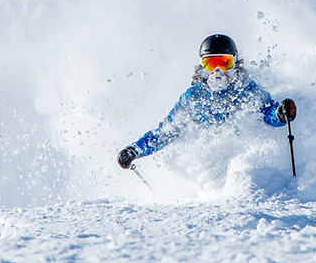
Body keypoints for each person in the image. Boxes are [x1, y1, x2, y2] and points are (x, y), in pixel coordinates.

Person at [118, 34, 297, 169]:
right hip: (205, 168)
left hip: (243, 165)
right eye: (210, 64)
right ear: (202, 68)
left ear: (235, 64)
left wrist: (280, 114)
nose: (218, 71)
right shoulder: (193, 98)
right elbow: (165, 132)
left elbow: (268, 112)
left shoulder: (246, 90)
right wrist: (135, 150)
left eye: (224, 63)